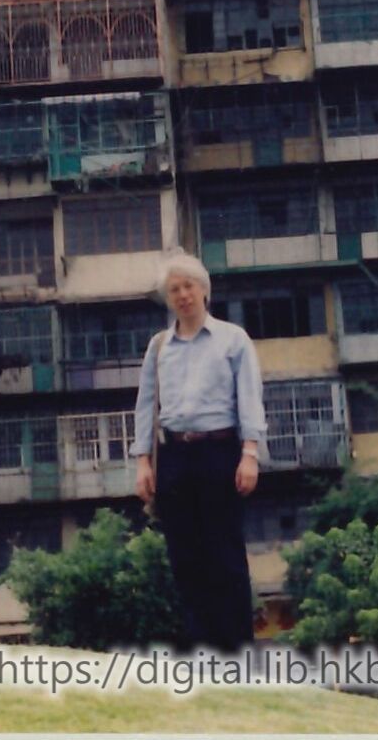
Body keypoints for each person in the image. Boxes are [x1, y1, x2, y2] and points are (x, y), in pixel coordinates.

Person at [130, 250, 265, 652]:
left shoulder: (232, 339)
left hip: (220, 453)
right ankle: (198, 647)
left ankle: (236, 649)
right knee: (184, 555)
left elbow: (250, 398)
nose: (182, 295)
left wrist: (250, 453)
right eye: (174, 290)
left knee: (224, 552)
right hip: (175, 457)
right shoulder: (158, 347)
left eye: (188, 286)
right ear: (168, 299)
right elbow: (145, 405)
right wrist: (142, 462)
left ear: (203, 290)